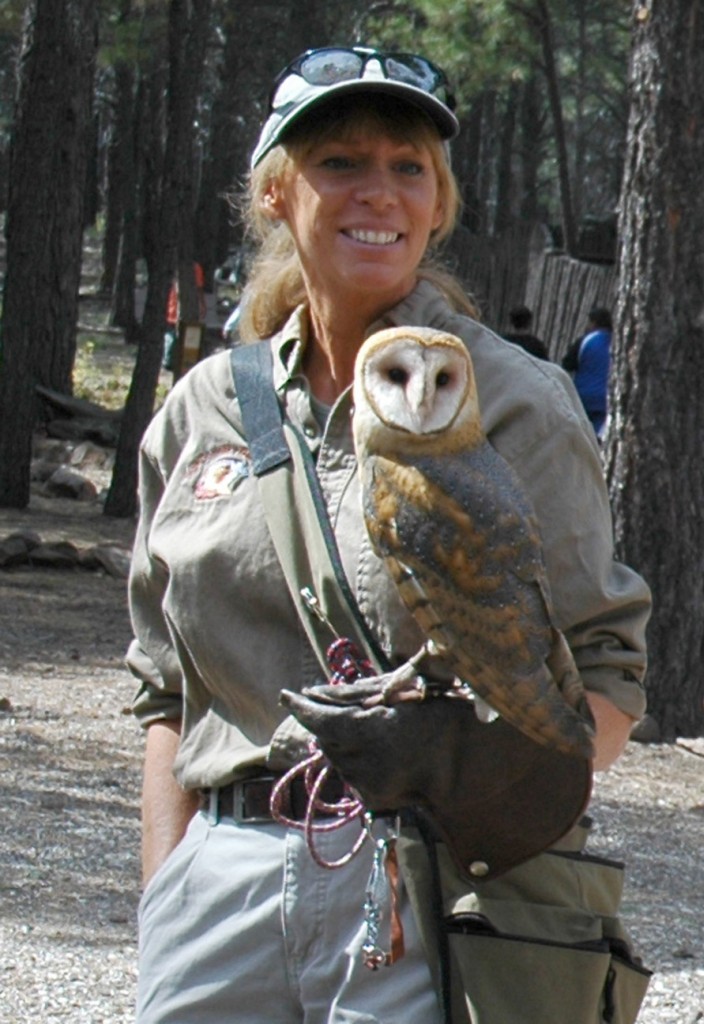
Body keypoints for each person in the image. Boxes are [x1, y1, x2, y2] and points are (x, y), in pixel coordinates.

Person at [127, 45, 651, 1023]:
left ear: (440, 203)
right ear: (279, 192)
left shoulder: (515, 402)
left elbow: (607, 677)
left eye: (408, 167)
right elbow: (165, 687)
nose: (380, 192)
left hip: (421, 878)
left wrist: (484, 779)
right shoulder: (206, 409)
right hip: (222, 883)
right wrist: (170, 890)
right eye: (342, 163)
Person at [561, 306, 613, 437]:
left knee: (580, 435)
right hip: (605, 399)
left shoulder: (585, 341)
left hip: (583, 397)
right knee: (598, 437)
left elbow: (567, 364)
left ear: (594, 323)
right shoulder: (616, 343)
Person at [162, 260, 207, 372]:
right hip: (174, 307)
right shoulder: (191, 268)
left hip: (180, 308)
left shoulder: (180, 267)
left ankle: (173, 360)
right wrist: (202, 304)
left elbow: (199, 288)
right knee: (172, 335)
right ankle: (169, 360)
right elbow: (199, 289)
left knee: (174, 335)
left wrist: (201, 304)